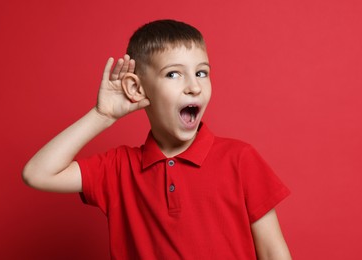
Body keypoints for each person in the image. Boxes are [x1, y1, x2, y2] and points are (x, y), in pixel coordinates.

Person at [23, 19, 292, 259]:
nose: (194, 86)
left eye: (201, 72)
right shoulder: (119, 169)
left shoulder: (240, 159)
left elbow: (272, 252)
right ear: (136, 88)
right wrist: (102, 115)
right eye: (173, 74)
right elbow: (38, 173)